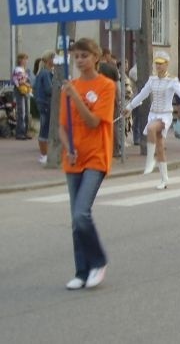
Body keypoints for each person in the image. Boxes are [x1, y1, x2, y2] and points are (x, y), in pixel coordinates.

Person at [59, 38, 115, 290]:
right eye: (76, 56)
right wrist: (68, 147)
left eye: (84, 55)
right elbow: (62, 126)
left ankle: (98, 261)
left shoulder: (106, 86)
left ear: (96, 56)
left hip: (96, 156)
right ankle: (81, 271)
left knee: (82, 213)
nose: (80, 60)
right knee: (75, 219)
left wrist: (75, 97)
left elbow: (93, 122)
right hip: (74, 158)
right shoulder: (70, 86)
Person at [124, 51, 180, 190]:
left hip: (165, 115)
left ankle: (150, 160)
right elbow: (142, 95)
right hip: (153, 114)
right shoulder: (152, 80)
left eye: (161, 64)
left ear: (167, 64)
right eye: (157, 63)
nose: (158, 66)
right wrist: (129, 107)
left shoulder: (172, 81)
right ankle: (164, 179)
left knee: (151, 128)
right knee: (160, 148)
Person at [34, 50, 56, 164]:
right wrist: (58, 88)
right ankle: (44, 155)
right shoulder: (46, 73)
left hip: (41, 102)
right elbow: (49, 89)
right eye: (54, 58)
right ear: (49, 60)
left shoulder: (41, 72)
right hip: (46, 103)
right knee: (45, 129)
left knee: (44, 128)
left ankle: (44, 154)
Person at [99, 48, 121, 157]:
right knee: (113, 124)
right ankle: (115, 150)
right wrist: (118, 99)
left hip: (98, 99)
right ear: (106, 55)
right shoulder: (112, 68)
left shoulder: (95, 68)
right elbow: (117, 87)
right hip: (111, 99)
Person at [12, 52, 32, 140]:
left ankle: (24, 132)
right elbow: (20, 81)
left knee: (26, 112)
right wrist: (28, 84)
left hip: (24, 91)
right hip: (20, 91)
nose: (26, 61)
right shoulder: (18, 69)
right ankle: (19, 133)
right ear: (20, 60)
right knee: (22, 112)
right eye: (24, 59)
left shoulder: (23, 69)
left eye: (26, 59)